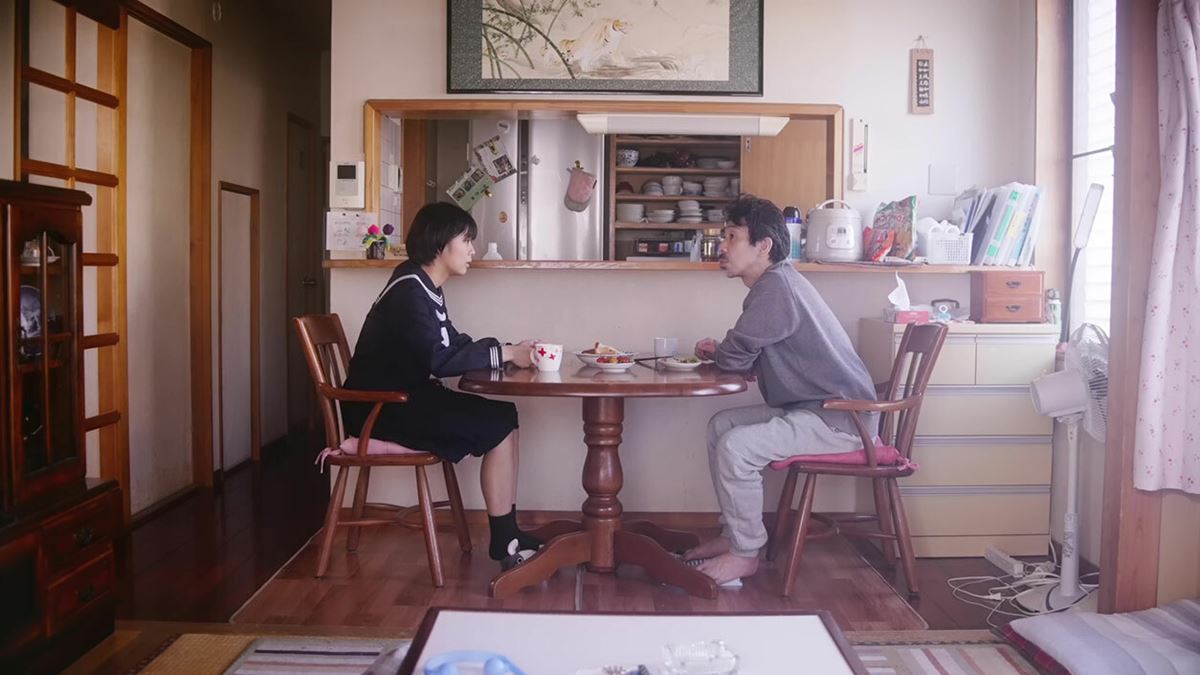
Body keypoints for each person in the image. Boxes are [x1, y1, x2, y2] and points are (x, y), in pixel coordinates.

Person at [685, 195, 878, 585]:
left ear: (764, 245)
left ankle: (745, 554)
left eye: (732, 236)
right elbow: (747, 353)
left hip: (840, 418)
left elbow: (737, 356)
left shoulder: (776, 287)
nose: (722, 246)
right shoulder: (777, 283)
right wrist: (728, 354)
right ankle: (733, 535)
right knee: (723, 426)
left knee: (736, 447)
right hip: (817, 408)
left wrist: (724, 353)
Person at [342, 202, 541, 567]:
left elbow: (452, 343)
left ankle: (507, 533)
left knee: (505, 415)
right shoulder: (410, 290)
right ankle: (504, 540)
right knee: (498, 421)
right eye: (466, 240)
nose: (472, 250)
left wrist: (507, 351)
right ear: (439, 242)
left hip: (400, 400)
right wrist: (506, 353)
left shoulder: (420, 283)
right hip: (380, 408)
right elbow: (441, 360)